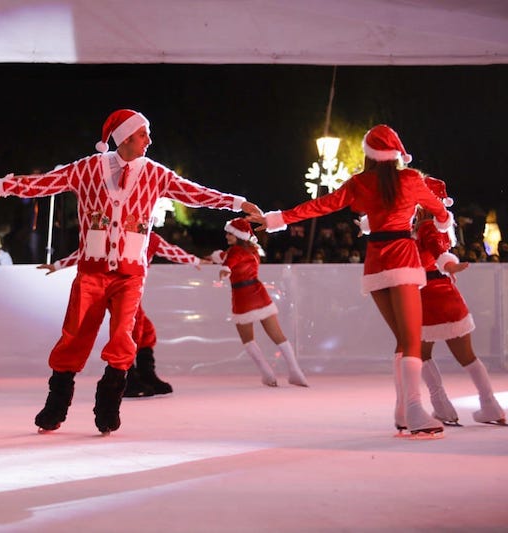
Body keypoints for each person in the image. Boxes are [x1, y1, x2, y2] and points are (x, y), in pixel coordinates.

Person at [0, 108, 261, 434]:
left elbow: (195, 193)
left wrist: (237, 203)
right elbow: (44, 184)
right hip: (91, 271)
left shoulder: (154, 173)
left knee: (123, 337)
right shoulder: (87, 168)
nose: (149, 140)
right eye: (144, 134)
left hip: (130, 275)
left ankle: (109, 403)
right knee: (75, 335)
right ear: (126, 137)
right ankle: (56, 403)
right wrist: (2, 187)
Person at [248, 124, 453, 438]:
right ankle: (413, 409)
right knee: (412, 339)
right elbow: (439, 210)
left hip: (375, 262)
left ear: (369, 155)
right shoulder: (411, 180)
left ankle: (403, 409)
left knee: (402, 338)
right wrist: (442, 220)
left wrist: (277, 218)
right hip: (402, 258)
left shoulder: (360, 183)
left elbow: (320, 205)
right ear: (397, 153)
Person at [38, 199, 207, 397]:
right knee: (132, 332)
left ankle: (144, 375)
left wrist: (195, 260)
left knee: (145, 331)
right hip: (118, 288)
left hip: (130, 290)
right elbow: (85, 252)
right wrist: (58, 265)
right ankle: (130, 378)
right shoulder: (130, 236)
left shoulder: (150, 239)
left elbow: (173, 252)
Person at [414, 177, 505, 426]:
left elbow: (436, 251)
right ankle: (490, 405)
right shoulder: (443, 228)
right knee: (468, 357)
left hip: (427, 296)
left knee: (419, 354)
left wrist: (449, 264)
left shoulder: (425, 228)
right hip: (449, 295)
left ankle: (442, 406)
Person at [210, 217, 308, 387]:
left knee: (248, 339)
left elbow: (228, 263)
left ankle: (267, 374)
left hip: (243, 297)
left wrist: (224, 271)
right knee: (278, 336)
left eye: (229, 233)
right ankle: (295, 371)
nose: (226, 236)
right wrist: (216, 258)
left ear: (237, 235)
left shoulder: (234, 251)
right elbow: (227, 258)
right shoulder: (253, 250)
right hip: (260, 294)